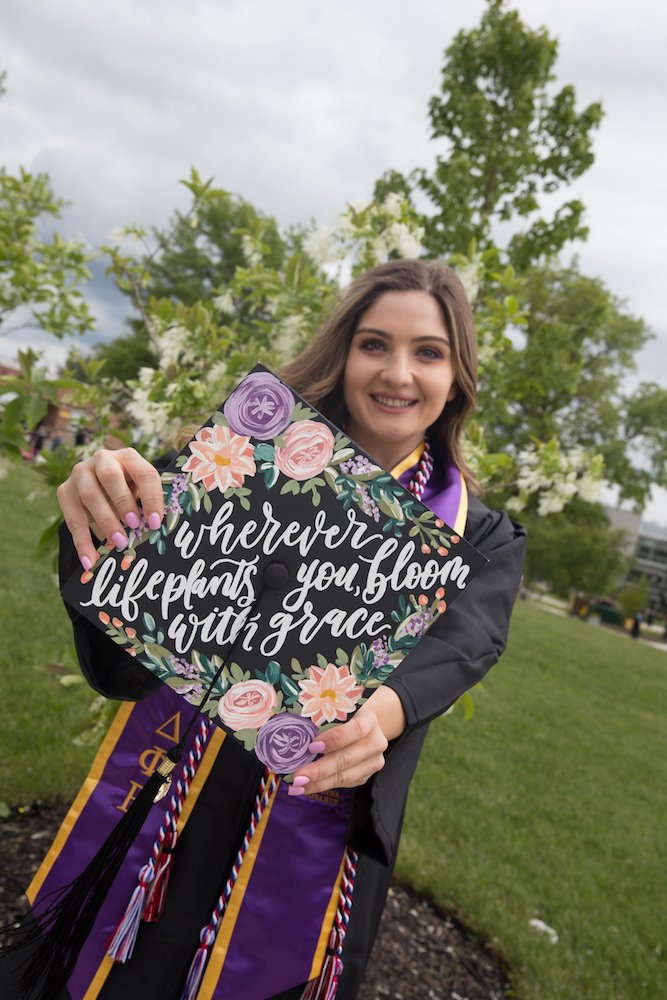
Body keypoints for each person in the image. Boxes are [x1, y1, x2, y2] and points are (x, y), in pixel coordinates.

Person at [52, 259, 526, 999]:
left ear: (456, 376)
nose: (398, 372)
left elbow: (460, 642)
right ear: (343, 353)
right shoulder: (242, 460)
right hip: (173, 802)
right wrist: (101, 506)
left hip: (318, 824)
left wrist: (378, 712)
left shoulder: (478, 538)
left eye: (428, 351)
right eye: (374, 344)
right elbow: (125, 647)